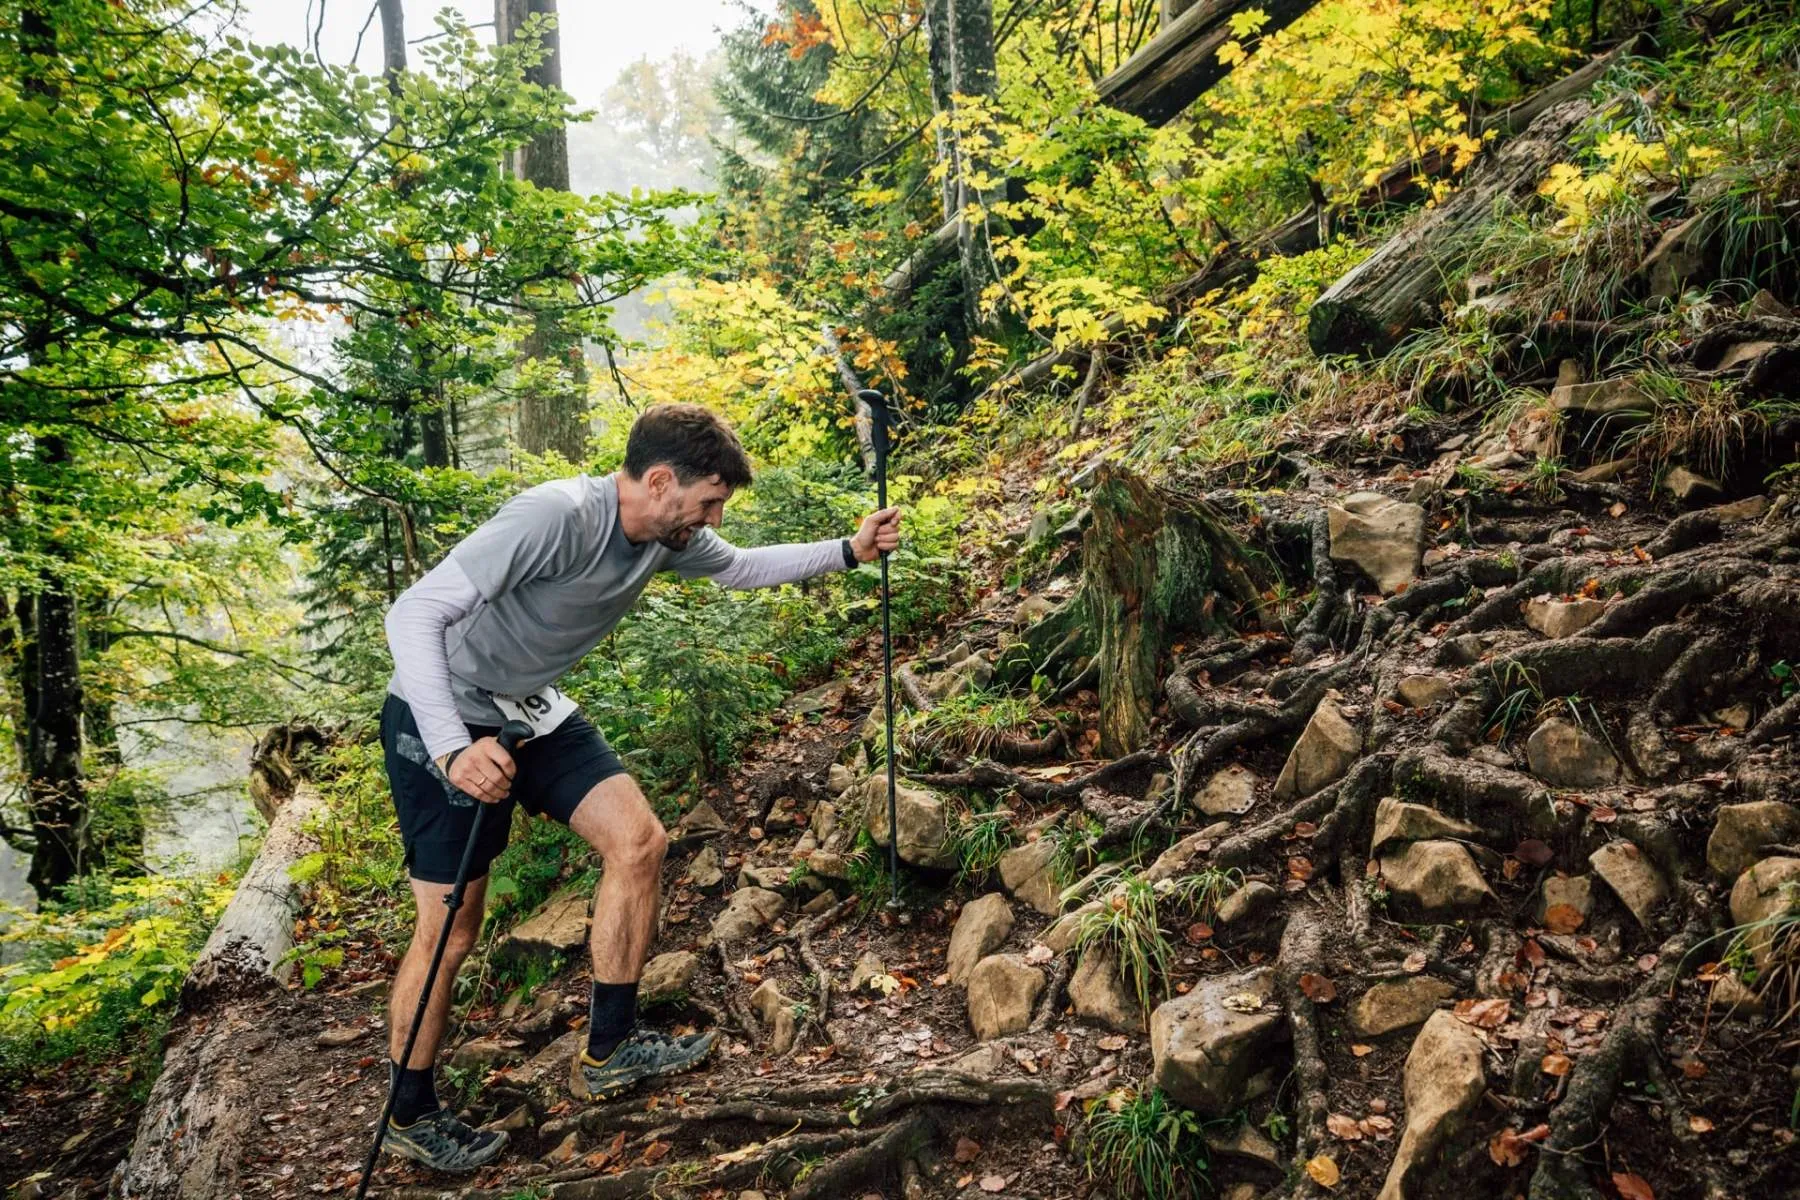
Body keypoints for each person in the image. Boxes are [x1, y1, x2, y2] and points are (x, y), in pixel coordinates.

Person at [375, 403, 902, 1171]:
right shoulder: (552, 517)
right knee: (451, 929)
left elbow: (742, 568)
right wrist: (454, 749)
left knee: (639, 841)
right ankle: (410, 1112)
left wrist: (848, 551)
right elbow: (414, 612)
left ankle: (609, 1048)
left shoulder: (666, 535)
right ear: (659, 481)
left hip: (533, 710)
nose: (713, 519)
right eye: (709, 502)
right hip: (439, 714)